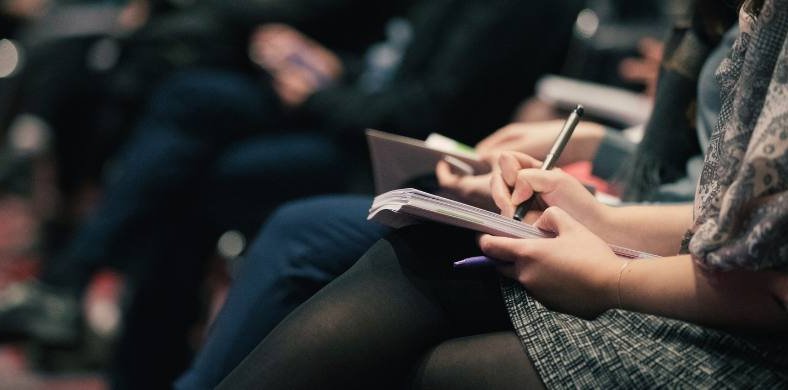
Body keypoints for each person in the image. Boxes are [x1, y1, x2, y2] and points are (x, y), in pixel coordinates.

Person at [211, 0, 788, 387]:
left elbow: (766, 271)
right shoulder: (733, 16)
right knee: (417, 249)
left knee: (406, 349)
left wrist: (611, 274)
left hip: (750, 339)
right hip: (687, 252)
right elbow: (727, 212)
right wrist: (597, 218)